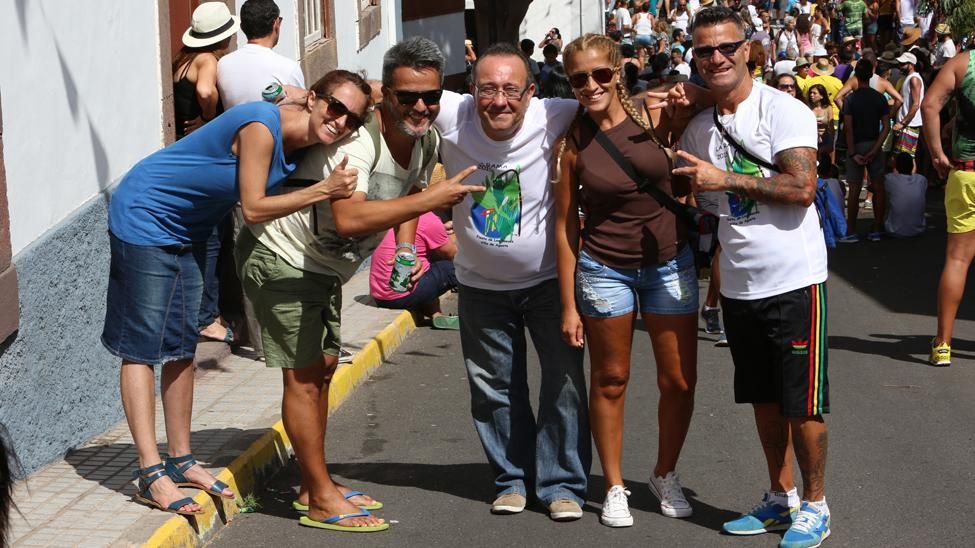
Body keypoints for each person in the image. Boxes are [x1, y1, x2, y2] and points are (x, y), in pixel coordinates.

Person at [103, 70, 372, 516]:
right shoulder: (261, 128)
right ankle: (151, 473)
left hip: (191, 227)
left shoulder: (304, 131)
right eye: (336, 107)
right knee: (142, 347)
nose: (341, 121)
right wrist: (323, 190)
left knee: (182, 343)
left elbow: (364, 94)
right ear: (314, 99)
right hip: (146, 214)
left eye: (353, 118)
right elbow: (254, 207)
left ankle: (182, 460)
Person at [238, 38, 481, 531]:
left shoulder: (424, 140)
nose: (421, 107)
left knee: (324, 369)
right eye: (408, 97)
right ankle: (320, 497)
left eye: (431, 96)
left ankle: (313, 485)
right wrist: (431, 200)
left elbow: (412, 190)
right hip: (284, 255)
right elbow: (350, 218)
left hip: (324, 267)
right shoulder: (358, 142)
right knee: (304, 377)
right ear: (385, 95)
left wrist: (408, 249)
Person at [674, 8, 831, 547]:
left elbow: (801, 188)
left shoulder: (783, 109)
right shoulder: (699, 127)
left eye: (726, 47)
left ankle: (816, 506)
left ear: (747, 50)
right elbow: (696, 195)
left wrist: (724, 179)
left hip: (794, 280)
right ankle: (780, 497)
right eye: (704, 50)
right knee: (763, 399)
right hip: (740, 284)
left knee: (802, 403)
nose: (716, 58)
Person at [434, 42, 592, 521]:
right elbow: (387, 88)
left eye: (510, 90)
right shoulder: (452, 112)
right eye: (487, 89)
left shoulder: (555, 115)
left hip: (548, 284)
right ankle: (512, 479)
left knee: (564, 385)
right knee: (494, 389)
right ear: (471, 91)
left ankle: (562, 484)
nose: (499, 100)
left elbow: (625, 103)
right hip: (480, 286)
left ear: (531, 92)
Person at [554, 33, 699, 528]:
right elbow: (565, 227)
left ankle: (664, 473)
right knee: (610, 378)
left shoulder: (653, 114)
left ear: (618, 71)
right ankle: (614, 485)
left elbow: (709, 95)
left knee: (678, 381)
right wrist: (568, 304)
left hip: (670, 263)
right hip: (604, 269)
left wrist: (679, 101)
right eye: (578, 79)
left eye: (600, 74)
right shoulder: (572, 144)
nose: (590, 86)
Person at [171, 3, 238, 347]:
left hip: (188, 159)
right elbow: (206, 92)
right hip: (205, 159)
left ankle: (205, 313)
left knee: (206, 236)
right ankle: (207, 318)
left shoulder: (182, 61)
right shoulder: (207, 59)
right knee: (212, 238)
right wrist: (210, 120)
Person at [921, 49, 975, 367]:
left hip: (967, 173)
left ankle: (943, 344)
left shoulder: (963, 63)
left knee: (958, 259)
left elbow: (929, 105)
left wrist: (937, 153)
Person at [370, 212, 459, 328]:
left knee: (427, 265)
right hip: (402, 293)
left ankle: (436, 315)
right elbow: (453, 254)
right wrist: (457, 234)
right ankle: (473, 314)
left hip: (381, 297)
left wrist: (441, 230)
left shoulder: (403, 218)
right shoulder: (430, 219)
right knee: (459, 268)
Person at [217, 0, 306, 108]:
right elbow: (301, 110)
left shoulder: (222, 64)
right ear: (276, 24)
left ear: (242, 27)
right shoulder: (289, 69)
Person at [840, 59, 891, 243]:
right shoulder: (879, 97)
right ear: (871, 75)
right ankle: (877, 228)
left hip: (856, 145)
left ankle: (851, 230)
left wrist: (853, 152)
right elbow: (886, 126)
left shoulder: (850, 99)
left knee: (854, 188)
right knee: (878, 186)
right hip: (874, 144)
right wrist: (876, 149)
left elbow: (848, 128)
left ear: (856, 76)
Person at [883, 151, 927, 237]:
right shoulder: (921, 179)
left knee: (882, 194)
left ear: (896, 166)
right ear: (912, 166)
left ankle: (878, 225)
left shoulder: (889, 179)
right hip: (918, 229)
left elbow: (873, 187)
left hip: (894, 230)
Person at [893, 51, 925, 157]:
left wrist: (903, 123)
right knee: (903, 157)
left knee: (906, 158)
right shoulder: (909, 78)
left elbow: (916, 104)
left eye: (903, 64)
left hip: (909, 125)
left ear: (911, 65)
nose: (900, 66)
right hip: (905, 125)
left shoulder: (914, 79)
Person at [807, 83, 835, 166]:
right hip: (811, 138)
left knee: (824, 163)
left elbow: (831, 127)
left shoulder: (828, 108)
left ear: (822, 96)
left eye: (814, 93)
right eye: (810, 93)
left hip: (825, 138)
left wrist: (831, 143)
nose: (811, 95)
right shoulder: (808, 107)